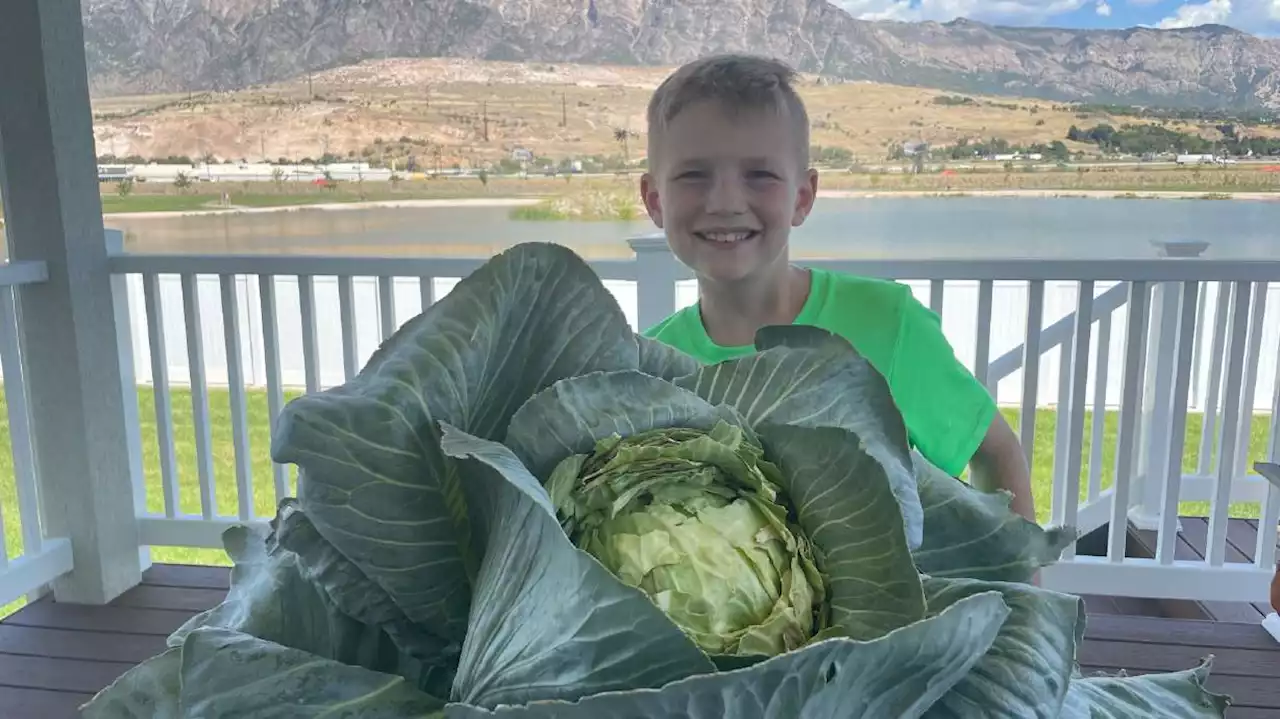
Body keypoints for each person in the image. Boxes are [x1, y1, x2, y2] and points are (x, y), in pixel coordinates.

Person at [637, 53, 1036, 523]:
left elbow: (994, 451)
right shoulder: (647, 369)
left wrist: (1019, 587)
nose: (725, 202)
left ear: (802, 198)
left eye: (759, 175)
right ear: (654, 200)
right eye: (693, 175)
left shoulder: (887, 322)